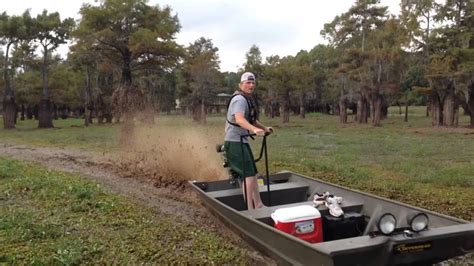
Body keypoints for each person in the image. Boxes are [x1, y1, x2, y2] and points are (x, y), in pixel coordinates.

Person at [224, 72, 273, 209]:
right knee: (248, 174)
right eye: (248, 83)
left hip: (241, 141)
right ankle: (250, 209)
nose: (251, 86)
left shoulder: (246, 99)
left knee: (252, 173)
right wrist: (254, 130)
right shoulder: (239, 99)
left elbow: (251, 119)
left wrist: (264, 128)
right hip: (234, 141)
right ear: (241, 84)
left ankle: (258, 204)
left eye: (253, 83)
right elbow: (240, 119)